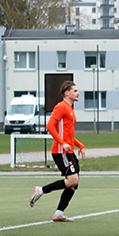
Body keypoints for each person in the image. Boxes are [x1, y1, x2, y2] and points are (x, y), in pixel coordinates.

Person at [29, 81, 85, 222]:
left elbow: (69, 134)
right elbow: (50, 126)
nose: (78, 93)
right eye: (75, 90)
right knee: (73, 179)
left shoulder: (71, 109)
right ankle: (40, 190)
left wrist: (79, 145)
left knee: (73, 184)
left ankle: (59, 213)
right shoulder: (61, 107)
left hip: (69, 150)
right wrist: (62, 143)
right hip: (61, 151)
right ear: (67, 93)